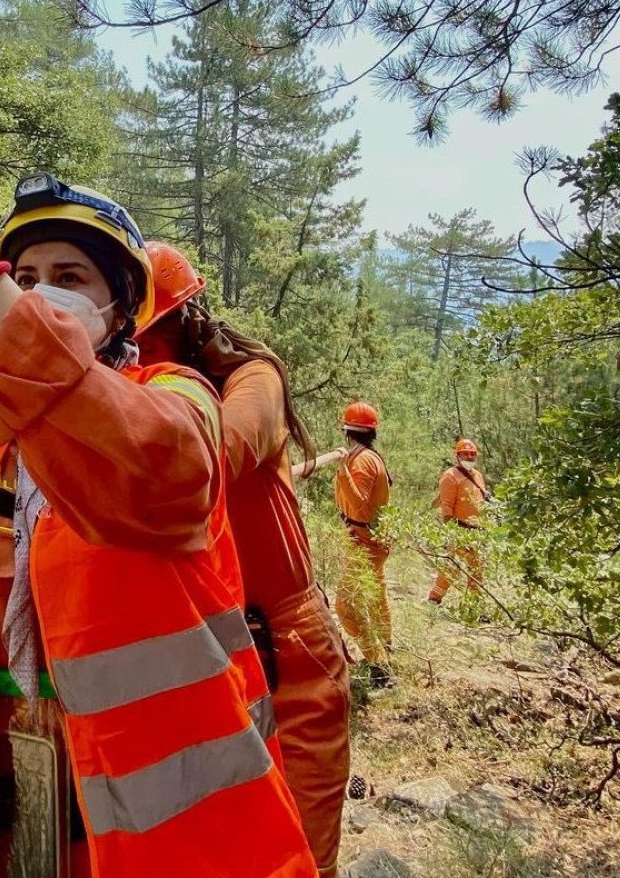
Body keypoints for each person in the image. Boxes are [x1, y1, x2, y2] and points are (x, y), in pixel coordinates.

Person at [0, 171, 316, 877]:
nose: (43, 291)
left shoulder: (175, 396)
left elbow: (164, 468)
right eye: (27, 275)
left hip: (155, 813)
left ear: (121, 309)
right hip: (2, 791)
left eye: (70, 275)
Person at [135, 242, 351, 878]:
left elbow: (215, 458)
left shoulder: (252, 381)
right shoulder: (141, 394)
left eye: (144, 336)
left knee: (302, 855)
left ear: (182, 324)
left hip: (288, 650)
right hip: (209, 658)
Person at [333, 402, 393, 688]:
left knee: (346, 606)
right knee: (376, 598)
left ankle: (379, 666)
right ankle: (387, 648)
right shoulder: (366, 457)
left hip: (365, 542)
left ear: (347, 431)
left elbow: (360, 508)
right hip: (367, 540)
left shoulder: (363, 461)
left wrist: (343, 471)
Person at [428, 438, 488, 605]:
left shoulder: (478, 476)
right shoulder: (450, 476)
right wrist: (451, 533)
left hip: (478, 531)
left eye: (472, 454)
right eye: (465, 454)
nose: (469, 457)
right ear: (458, 456)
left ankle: (474, 606)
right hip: (458, 528)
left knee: (477, 570)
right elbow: (446, 507)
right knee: (452, 567)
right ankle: (434, 598)